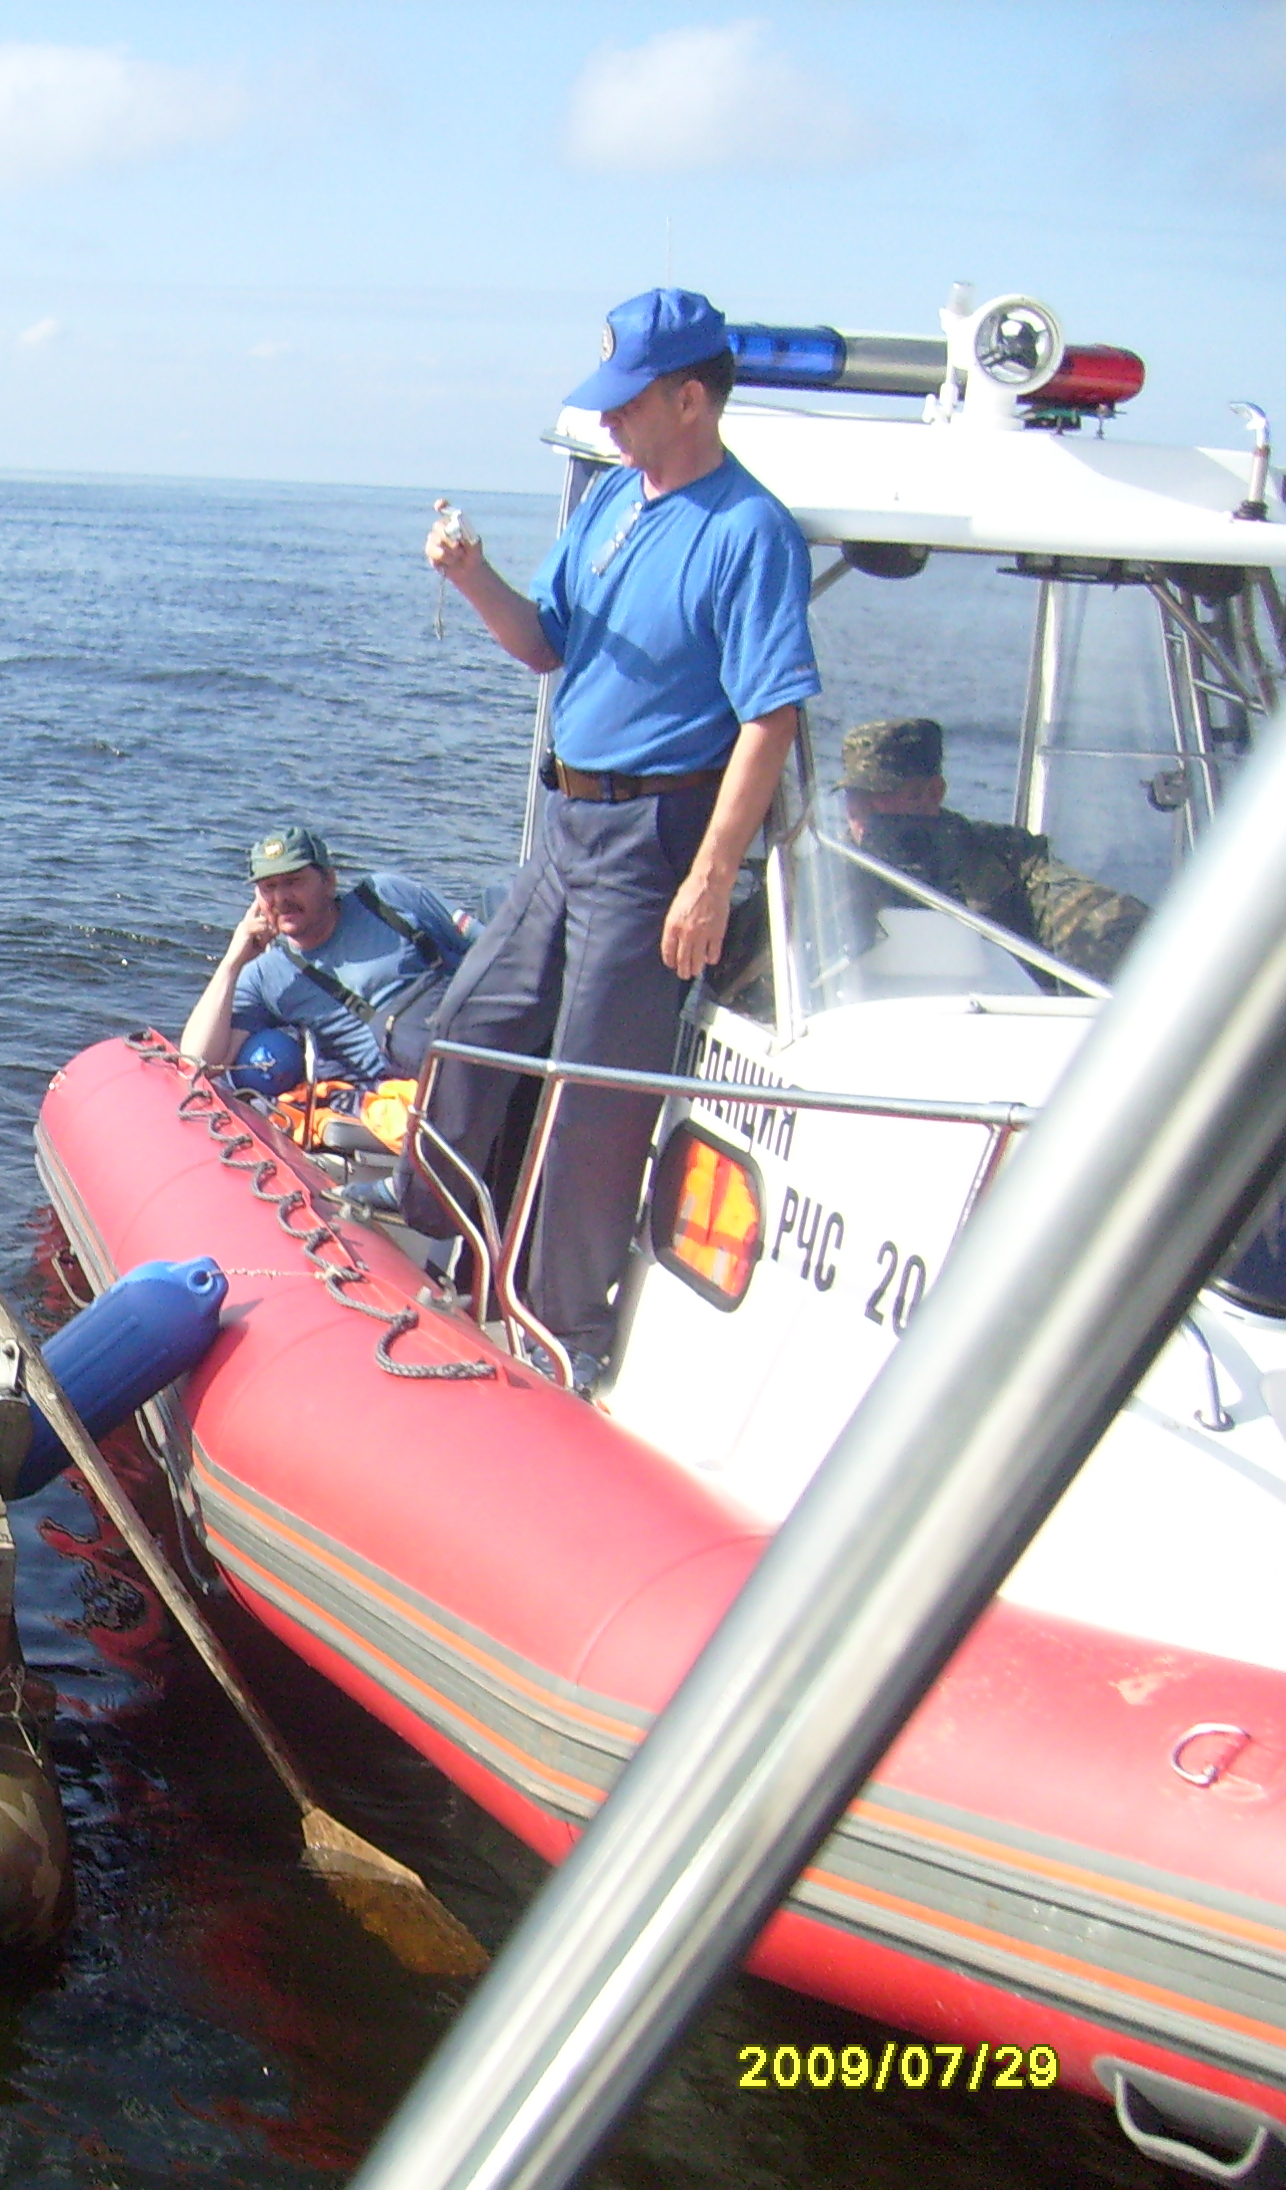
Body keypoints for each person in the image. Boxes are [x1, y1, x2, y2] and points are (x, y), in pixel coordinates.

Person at [408, 287, 821, 1389]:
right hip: (565, 821)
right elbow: (543, 644)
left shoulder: (750, 532)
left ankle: (559, 1324)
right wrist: (469, 575)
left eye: (630, 403)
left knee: (597, 1083)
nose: (611, 424)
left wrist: (710, 877)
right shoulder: (605, 503)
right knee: (477, 1015)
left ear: (693, 399)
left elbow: (770, 717)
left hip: (656, 834)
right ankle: (432, 1228)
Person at [834, 716, 1150, 981]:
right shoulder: (827, 868)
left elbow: (1085, 911)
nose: (862, 808)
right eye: (854, 793)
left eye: (880, 792)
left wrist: (1110, 930)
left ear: (932, 793)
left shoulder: (1007, 859)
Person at [181, 825, 473, 1083]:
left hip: (475, 1038)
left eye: (294, 881)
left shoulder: (386, 897)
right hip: (420, 1093)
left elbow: (491, 950)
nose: (281, 899)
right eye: (269, 887)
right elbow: (198, 1063)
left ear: (329, 881)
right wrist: (231, 964)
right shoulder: (266, 976)